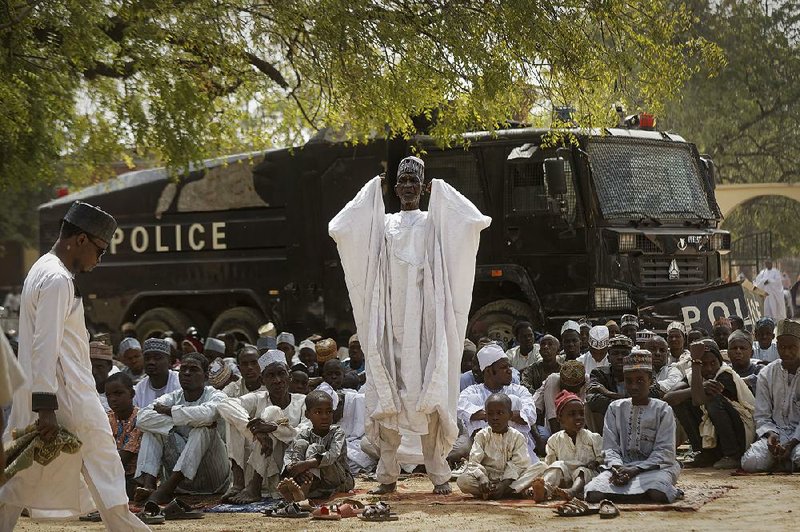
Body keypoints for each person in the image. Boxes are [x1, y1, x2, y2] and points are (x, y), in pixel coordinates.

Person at [329, 155, 491, 495]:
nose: (406, 187)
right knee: (389, 395)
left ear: (423, 186)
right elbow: (342, 227)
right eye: (401, 181)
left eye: (413, 182)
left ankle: (438, 474)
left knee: (427, 393)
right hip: (390, 320)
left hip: (425, 322)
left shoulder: (433, 222)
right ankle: (387, 476)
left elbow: (472, 221)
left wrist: (442, 192)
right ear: (395, 186)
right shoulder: (384, 224)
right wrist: (374, 188)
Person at [0, 201, 148, 530]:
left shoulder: (41, 269)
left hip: (47, 394)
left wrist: (40, 403)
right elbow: (45, 345)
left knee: (16, 481)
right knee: (108, 474)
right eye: (100, 249)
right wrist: (46, 407)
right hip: (68, 397)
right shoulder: (56, 279)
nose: (100, 260)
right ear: (80, 240)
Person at [583, 351, 681, 503]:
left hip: (655, 468)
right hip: (621, 468)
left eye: (640, 381)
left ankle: (626, 494)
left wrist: (636, 469)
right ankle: (635, 494)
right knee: (593, 492)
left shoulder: (663, 409)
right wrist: (617, 468)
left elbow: (665, 451)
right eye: (629, 381)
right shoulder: (615, 408)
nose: (634, 386)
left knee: (658, 492)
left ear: (651, 381)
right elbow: (610, 448)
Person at [135, 353, 230, 504]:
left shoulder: (217, 396)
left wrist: (170, 411)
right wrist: (185, 420)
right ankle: (149, 485)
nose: (186, 373)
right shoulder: (172, 397)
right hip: (182, 486)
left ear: (205, 376)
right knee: (152, 430)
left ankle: (166, 489)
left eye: (193, 370)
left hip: (214, 478)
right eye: (183, 369)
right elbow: (141, 418)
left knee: (204, 428)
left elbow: (207, 415)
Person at [216, 350, 307, 503]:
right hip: (255, 464)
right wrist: (255, 431)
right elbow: (224, 404)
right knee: (233, 418)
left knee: (271, 413)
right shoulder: (258, 398)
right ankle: (238, 482)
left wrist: (274, 428)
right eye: (271, 375)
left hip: (286, 467)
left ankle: (254, 487)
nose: (277, 380)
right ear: (263, 380)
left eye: (281, 374)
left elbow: (305, 431)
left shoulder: (303, 401)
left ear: (289, 376)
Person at [665, 339, 755, 469]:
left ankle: (732, 455)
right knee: (681, 401)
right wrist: (699, 384)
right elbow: (668, 398)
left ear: (720, 361)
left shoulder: (725, 375)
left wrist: (696, 363)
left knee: (713, 399)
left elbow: (698, 400)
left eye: (713, 363)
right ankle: (705, 454)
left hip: (741, 434)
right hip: (716, 439)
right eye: (703, 364)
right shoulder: (693, 376)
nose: (709, 369)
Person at [458, 344, 540, 462]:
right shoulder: (471, 392)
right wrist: (498, 415)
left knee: (513, 400)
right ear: (489, 371)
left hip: (517, 451)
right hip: (486, 452)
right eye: (503, 367)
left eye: (509, 367)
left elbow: (531, 415)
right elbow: (461, 410)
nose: (509, 371)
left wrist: (497, 416)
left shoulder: (519, 390)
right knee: (475, 400)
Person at [456, 393, 544, 499]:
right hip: (488, 477)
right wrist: (482, 477)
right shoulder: (481, 436)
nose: (495, 418)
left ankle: (504, 490)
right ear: (486, 416)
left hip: (511, 479)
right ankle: (511, 492)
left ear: (510, 415)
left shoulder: (517, 437)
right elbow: (474, 462)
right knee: (463, 481)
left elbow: (519, 464)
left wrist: (504, 484)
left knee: (541, 467)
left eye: (500, 413)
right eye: (490, 414)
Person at [740, 318, 800, 472]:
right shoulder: (767, 374)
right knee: (750, 462)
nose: (786, 352)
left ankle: (788, 459)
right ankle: (785, 460)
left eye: (792, 347)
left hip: (798, 438)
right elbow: (762, 415)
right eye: (782, 347)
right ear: (777, 346)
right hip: (777, 434)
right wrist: (771, 436)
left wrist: (792, 443)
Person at [279, 390, 355, 501]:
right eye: (318, 412)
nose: (324, 417)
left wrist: (307, 464)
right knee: (300, 444)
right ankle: (301, 484)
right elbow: (290, 453)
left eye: (329, 412)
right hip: (316, 481)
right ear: (307, 414)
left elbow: (333, 455)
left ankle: (304, 490)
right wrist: (293, 467)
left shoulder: (337, 432)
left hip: (338, 478)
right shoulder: (305, 433)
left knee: (315, 448)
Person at [531, 391, 602, 502]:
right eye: (572, 414)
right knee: (557, 466)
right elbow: (551, 463)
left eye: (581, 414)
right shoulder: (554, 440)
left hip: (586, 476)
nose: (578, 417)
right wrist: (558, 475)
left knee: (582, 470)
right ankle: (544, 490)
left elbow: (601, 457)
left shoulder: (593, 437)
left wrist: (595, 463)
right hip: (566, 477)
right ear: (560, 418)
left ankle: (572, 492)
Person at [105, 372, 143, 498]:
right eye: (109, 395)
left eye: (118, 393)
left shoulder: (141, 418)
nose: (113, 399)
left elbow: (124, 458)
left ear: (131, 394)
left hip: (132, 476)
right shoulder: (106, 419)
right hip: (110, 472)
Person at [585, 335, 633, 432]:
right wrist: (628, 402)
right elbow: (592, 399)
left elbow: (652, 394)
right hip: (610, 420)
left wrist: (607, 393)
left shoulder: (641, 372)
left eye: (624, 353)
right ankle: (599, 443)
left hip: (636, 418)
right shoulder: (598, 373)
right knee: (588, 407)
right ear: (608, 358)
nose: (620, 357)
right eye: (615, 353)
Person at [534, 360, 587, 435]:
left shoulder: (586, 380)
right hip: (554, 429)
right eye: (565, 386)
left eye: (571, 387)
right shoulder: (553, 379)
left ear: (581, 384)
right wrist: (559, 441)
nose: (567, 390)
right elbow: (552, 415)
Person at [134, 338, 181, 408]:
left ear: (169, 361)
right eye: (147, 358)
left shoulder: (180, 382)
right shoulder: (139, 389)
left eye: (157, 358)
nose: (151, 362)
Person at [90, 341, 116, 412]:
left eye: (99, 367)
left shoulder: (119, 393)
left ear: (109, 367)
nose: (94, 372)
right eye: (90, 366)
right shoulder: (82, 393)